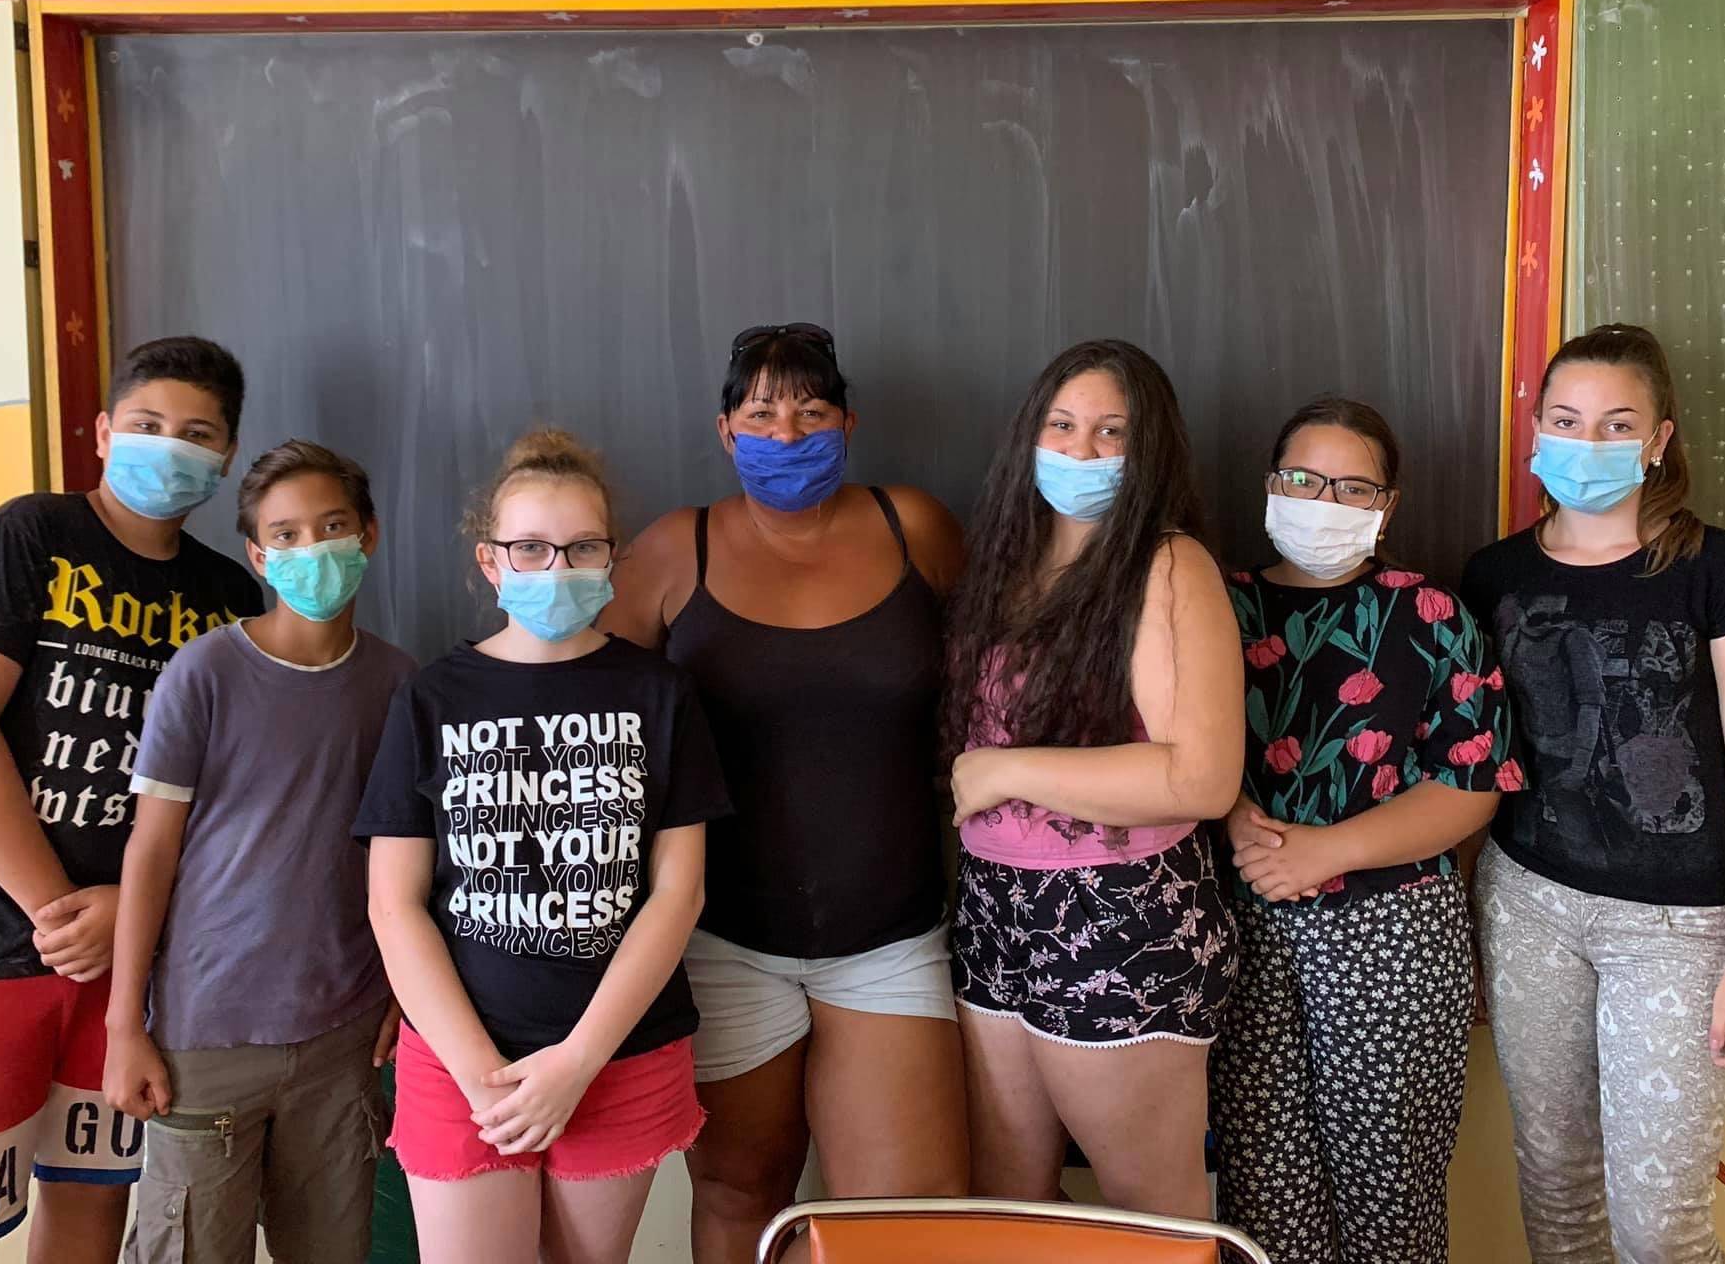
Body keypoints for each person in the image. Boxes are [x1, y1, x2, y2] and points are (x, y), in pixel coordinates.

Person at [0, 337, 263, 1262]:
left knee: (93, 1210)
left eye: (196, 434)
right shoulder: (30, 535)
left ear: (225, 456)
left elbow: (236, 796)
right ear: (101, 432)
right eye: (146, 424)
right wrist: (57, 913)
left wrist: (130, 911)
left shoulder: (231, 595)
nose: (169, 447)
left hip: (134, 971)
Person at [601, 323, 970, 1263]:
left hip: (892, 938)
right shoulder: (674, 549)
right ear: (726, 431)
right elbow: (588, 710)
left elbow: (1005, 679)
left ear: (849, 422)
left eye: (811, 411)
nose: (788, 433)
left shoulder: (916, 528)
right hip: (725, 941)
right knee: (739, 1192)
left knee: (903, 1223)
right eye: (762, 414)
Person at [357, 429, 730, 1264]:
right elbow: (394, 902)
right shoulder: (432, 698)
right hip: (460, 1060)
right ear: (490, 562)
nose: (557, 569)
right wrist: (479, 1074)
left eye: (582, 548)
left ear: (613, 558)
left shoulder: (660, 694)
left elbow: (679, 892)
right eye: (530, 547)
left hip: (620, 1054)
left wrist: (578, 1062)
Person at [1464, 323, 1725, 1263]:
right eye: (1567, 420)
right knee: (1557, 1196)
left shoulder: (1718, 569)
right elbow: (1478, 759)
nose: (1589, 442)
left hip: (1679, 930)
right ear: (1536, 427)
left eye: (1618, 424)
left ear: (1659, 440)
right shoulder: (1493, 575)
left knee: (1661, 1228)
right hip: (1528, 906)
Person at [1210, 396, 1514, 1264]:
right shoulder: (1214, 604)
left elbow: (1473, 782)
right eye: (1304, 480)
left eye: (1353, 488)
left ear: (1388, 506)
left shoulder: (1431, 614)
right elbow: (1170, 739)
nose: (1325, 502)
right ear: (1271, 485)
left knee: (1391, 1201)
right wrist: (1236, 822)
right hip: (1240, 927)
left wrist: (1325, 851)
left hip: (1392, 933)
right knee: (1262, 1206)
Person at [943, 338, 1242, 1216]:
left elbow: (1201, 779)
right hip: (995, 907)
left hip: (1119, 911)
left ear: (1150, 449)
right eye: (1062, 425)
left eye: (1112, 432)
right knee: (1010, 1199)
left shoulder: (1168, 566)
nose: (1081, 449)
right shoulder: (1009, 565)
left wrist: (1004, 769)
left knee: (1150, 1212)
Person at [103, 440, 417, 1264]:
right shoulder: (204, 673)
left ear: (369, 535)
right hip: (202, 1038)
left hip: (343, 1037)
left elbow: (409, 859)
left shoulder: (398, 684)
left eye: (333, 526)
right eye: (286, 535)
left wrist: (404, 989)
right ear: (258, 555)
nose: (312, 548)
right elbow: (151, 851)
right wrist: (123, 1024)